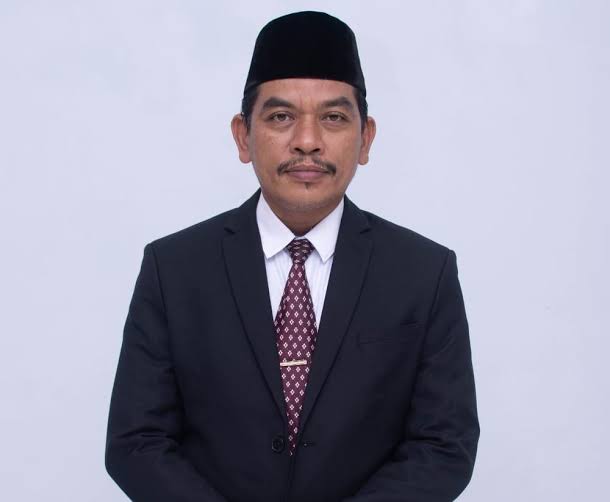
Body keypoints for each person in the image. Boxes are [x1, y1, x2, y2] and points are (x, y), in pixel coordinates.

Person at [105, 10, 479, 502]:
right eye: (281, 117)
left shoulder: (423, 273)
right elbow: (136, 442)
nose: (307, 142)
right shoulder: (173, 269)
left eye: (333, 118)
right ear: (243, 136)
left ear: (365, 138)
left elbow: (444, 445)